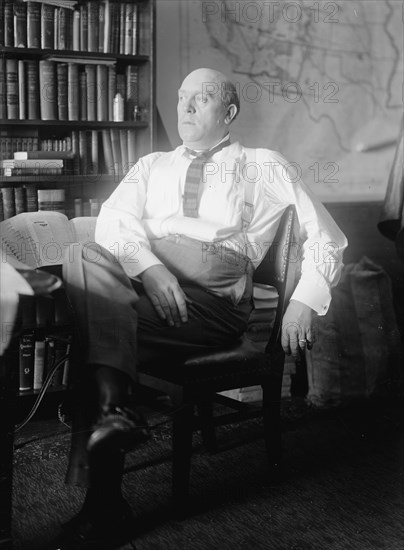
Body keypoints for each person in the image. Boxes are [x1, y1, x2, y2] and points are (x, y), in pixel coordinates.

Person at [53, 68, 347, 549]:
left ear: (228, 112)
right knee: (79, 253)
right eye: (182, 96)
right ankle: (115, 416)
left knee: (93, 340)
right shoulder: (152, 165)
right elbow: (112, 223)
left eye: (201, 98)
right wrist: (150, 268)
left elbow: (327, 237)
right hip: (154, 290)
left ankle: (104, 493)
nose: (185, 107)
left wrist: (304, 302)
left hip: (214, 301)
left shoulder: (263, 164)